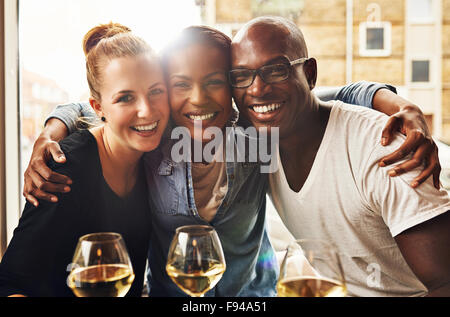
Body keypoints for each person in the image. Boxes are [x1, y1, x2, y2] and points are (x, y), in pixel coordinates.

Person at [20, 26, 441, 297]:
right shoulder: (157, 138)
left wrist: (402, 104)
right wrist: (51, 128)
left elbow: (329, 95)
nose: (199, 99)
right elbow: (97, 104)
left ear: (235, 92)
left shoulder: (255, 132)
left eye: (216, 82)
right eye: (181, 85)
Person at [230, 16, 450, 296]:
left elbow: (445, 283)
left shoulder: (383, 149)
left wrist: (407, 108)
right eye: (240, 76)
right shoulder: (259, 137)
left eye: (277, 70)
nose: (257, 89)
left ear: (309, 74)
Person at [0, 23, 170, 296]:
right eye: (125, 98)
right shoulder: (64, 167)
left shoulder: (157, 159)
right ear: (98, 107)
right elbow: (10, 284)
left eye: (156, 91)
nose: (146, 110)